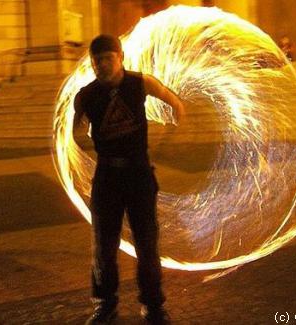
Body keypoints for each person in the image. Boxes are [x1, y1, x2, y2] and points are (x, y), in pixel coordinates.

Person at [73, 34, 185, 325]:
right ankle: (104, 304)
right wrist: (78, 140)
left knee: (147, 243)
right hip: (107, 176)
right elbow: (73, 132)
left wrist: (175, 118)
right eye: (96, 60)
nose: (101, 65)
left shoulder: (139, 83)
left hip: (138, 175)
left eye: (107, 58)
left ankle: (153, 305)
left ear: (120, 57)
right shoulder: (85, 95)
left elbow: (171, 99)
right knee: (103, 245)